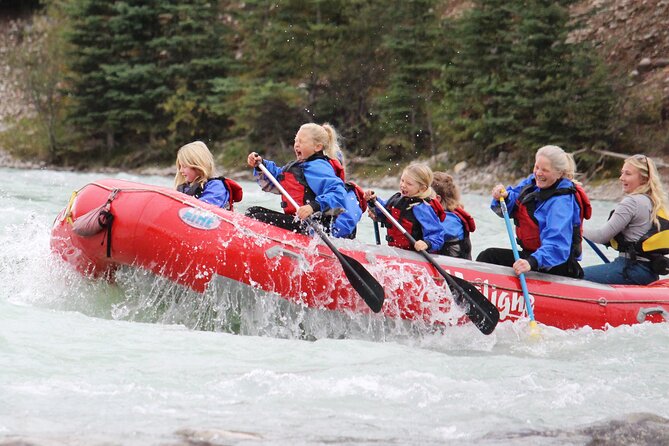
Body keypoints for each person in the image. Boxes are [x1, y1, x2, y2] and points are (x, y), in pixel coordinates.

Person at [476, 145, 591, 278]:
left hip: (556, 266)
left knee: (489, 257)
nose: (538, 173)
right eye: (537, 167)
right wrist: (504, 197)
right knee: (489, 256)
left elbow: (557, 245)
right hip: (533, 258)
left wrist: (532, 262)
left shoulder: (561, 203)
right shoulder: (532, 183)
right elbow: (512, 203)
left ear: (559, 173)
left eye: (545, 170)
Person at [246, 123, 363, 238]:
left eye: (301, 141)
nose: (296, 145)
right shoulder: (299, 166)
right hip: (300, 221)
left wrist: (313, 206)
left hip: (315, 227)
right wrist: (261, 165)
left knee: (258, 217)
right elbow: (277, 179)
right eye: (295, 140)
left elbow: (338, 193)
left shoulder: (319, 167)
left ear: (317, 147)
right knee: (252, 212)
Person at [582, 154, 669, 285]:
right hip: (649, 272)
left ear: (644, 178)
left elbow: (602, 236)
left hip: (630, 269)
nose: (621, 178)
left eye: (628, 174)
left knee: (574, 276)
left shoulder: (631, 202)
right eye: (622, 173)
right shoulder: (654, 202)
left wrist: (576, 229)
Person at [364, 163, 446, 253]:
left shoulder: (423, 208)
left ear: (422, 189)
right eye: (402, 180)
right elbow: (383, 210)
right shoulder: (396, 200)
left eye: (409, 184)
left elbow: (437, 234)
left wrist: (427, 243)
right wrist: (373, 201)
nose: (403, 185)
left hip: (414, 256)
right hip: (395, 251)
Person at [175, 141, 243, 210]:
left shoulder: (216, 187)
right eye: (180, 166)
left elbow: (206, 210)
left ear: (197, 165)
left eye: (184, 166)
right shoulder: (185, 187)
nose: (180, 171)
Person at [431, 172, 476, 260]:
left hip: (454, 267)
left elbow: (434, 234)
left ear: (437, 198)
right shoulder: (445, 214)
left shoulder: (451, 220)